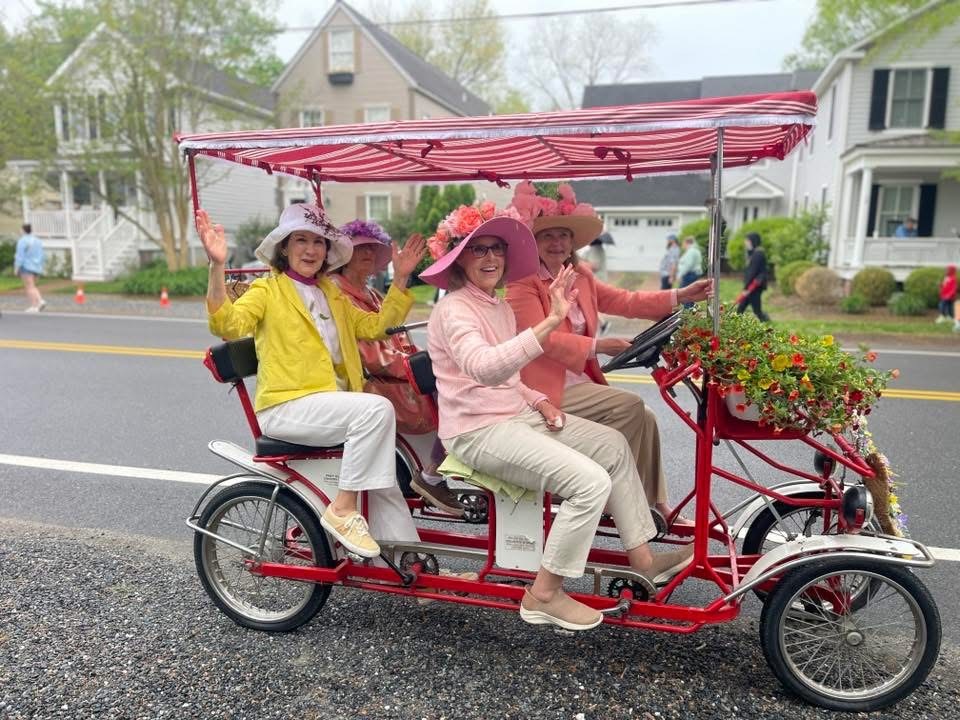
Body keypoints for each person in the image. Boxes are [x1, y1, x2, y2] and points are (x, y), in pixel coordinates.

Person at [423, 201, 693, 632]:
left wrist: (537, 398)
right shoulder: (455, 309)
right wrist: (550, 322)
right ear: (458, 259)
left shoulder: (495, 305)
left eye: (496, 249)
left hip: (513, 416)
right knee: (589, 483)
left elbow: (508, 379)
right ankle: (544, 594)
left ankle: (643, 558)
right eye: (479, 250)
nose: (491, 257)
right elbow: (484, 368)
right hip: (478, 431)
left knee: (613, 444)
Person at [196, 203, 426, 560]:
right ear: (284, 248)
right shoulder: (267, 290)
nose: (310, 249)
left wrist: (399, 281)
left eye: (318, 242)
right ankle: (343, 509)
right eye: (300, 240)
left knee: (383, 483)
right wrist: (216, 265)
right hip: (287, 406)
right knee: (377, 410)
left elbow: (374, 327)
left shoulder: (330, 292)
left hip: (331, 406)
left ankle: (411, 569)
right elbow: (227, 325)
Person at [505, 182, 712, 525]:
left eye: (563, 236)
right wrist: (597, 346)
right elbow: (539, 339)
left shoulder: (579, 276)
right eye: (547, 237)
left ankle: (654, 503)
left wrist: (680, 295)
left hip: (579, 381)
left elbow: (626, 301)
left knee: (645, 415)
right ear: (534, 243)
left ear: (573, 242)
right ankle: (608, 494)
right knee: (628, 406)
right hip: (543, 391)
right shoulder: (523, 284)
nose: (557, 243)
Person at [331, 218, 463, 516]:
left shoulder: (373, 293)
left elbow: (398, 337)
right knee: (458, 392)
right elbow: (371, 354)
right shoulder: (337, 294)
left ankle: (447, 470)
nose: (366, 254)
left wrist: (427, 360)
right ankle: (433, 475)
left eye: (371, 249)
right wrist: (418, 368)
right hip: (380, 384)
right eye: (358, 248)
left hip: (396, 375)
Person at [735, 231, 770, 321]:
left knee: (756, 310)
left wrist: (746, 288)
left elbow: (752, 272)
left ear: (753, 241)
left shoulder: (758, 254)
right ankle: (736, 322)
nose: (745, 242)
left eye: (747, 240)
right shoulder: (754, 253)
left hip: (755, 286)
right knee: (741, 308)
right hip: (753, 286)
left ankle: (766, 321)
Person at [14, 223, 46, 312]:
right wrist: (41, 265)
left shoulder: (22, 241)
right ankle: (37, 303)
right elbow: (43, 255)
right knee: (33, 286)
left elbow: (20, 255)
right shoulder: (38, 241)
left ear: (23, 230)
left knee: (29, 287)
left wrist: (16, 267)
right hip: (37, 266)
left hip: (26, 266)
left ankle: (36, 303)